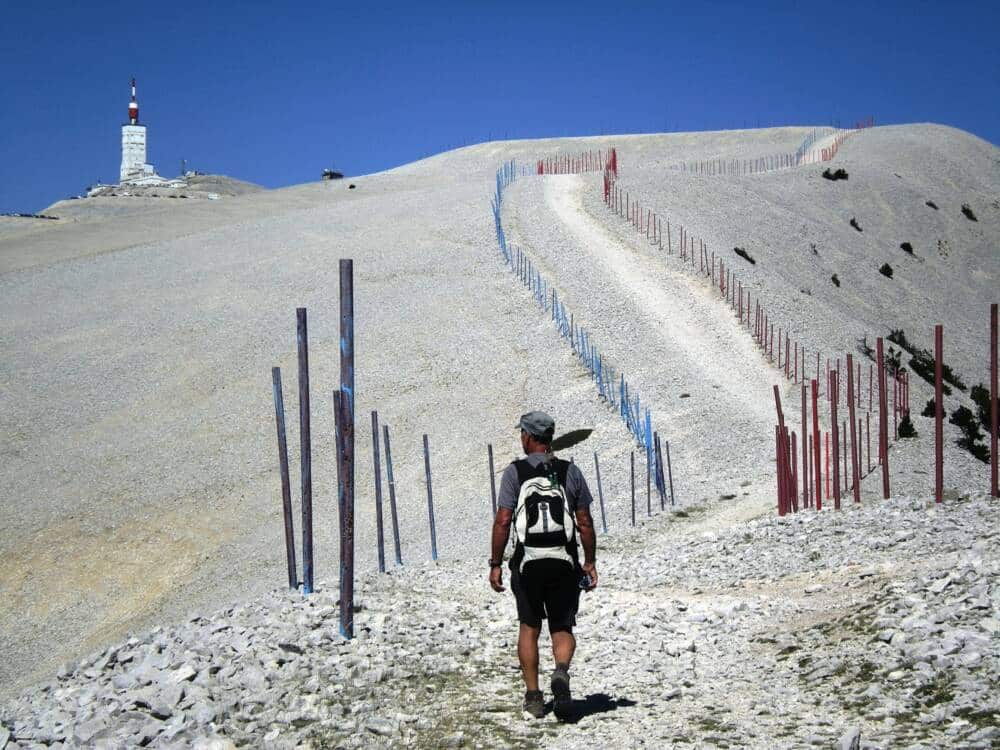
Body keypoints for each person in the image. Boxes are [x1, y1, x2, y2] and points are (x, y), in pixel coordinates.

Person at [489, 411, 598, 721]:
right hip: (564, 561)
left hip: (528, 564)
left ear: (528, 436)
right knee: (562, 626)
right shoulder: (570, 472)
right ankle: (561, 672)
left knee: (529, 626)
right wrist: (589, 562)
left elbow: (503, 520)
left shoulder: (515, 473)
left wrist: (495, 563)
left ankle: (534, 698)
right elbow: (585, 522)